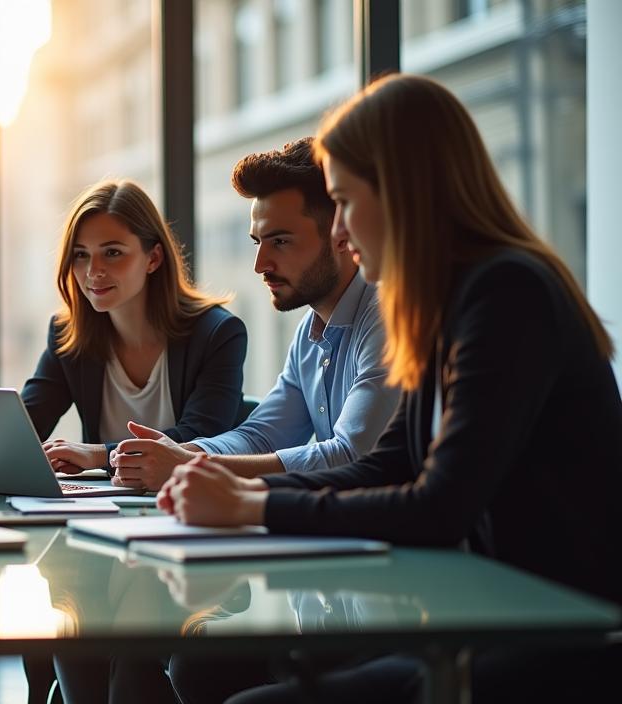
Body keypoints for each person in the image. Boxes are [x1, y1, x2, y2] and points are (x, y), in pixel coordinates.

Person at [160, 73, 622, 702]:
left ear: (403, 194)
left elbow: (439, 505)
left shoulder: (506, 294)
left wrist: (253, 506)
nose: (342, 232)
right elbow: (387, 465)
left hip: (554, 635)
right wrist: (244, 490)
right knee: (206, 669)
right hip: (483, 614)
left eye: (346, 202)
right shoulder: (446, 304)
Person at [109, 138, 398, 490]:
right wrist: (177, 453)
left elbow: (353, 455)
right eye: (257, 242)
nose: (260, 265)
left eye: (280, 241)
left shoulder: (387, 318)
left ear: (340, 234)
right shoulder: (312, 332)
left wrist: (189, 465)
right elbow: (262, 437)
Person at [21, 179, 248, 473]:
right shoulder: (68, 334)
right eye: (81, 255)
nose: (93, 272)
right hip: (107, 509)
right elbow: (26, 427)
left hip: (192, 502)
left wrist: (101, 455)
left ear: (152, 258)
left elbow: (202, 438)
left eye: (112, 252)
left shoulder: (218, 334)